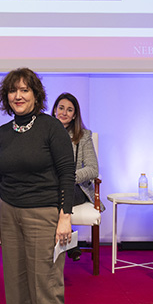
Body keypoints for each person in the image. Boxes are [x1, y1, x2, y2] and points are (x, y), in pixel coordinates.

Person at [0, 68, 75, 304]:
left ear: (36, 95)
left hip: (44, 215)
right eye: (13, 91)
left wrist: (65, 216)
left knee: (46, 294)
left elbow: (67, 174)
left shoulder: (51, 128)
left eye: (25, 90)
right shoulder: (3, 132)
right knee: (17, 293)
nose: (18, 96)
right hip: (8, 214)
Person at [52, 92, 104, 262]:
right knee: (46, 197)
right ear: (54, 110)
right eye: (61, 108)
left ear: (74, 115)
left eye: (69, 110)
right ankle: (70, 241)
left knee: (50, 199)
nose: (64, 113)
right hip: (50, 187)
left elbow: (93, 169)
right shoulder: (44, 134)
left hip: (75, 188)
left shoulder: (83, 136)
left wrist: (68, 178)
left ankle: (63, 245)